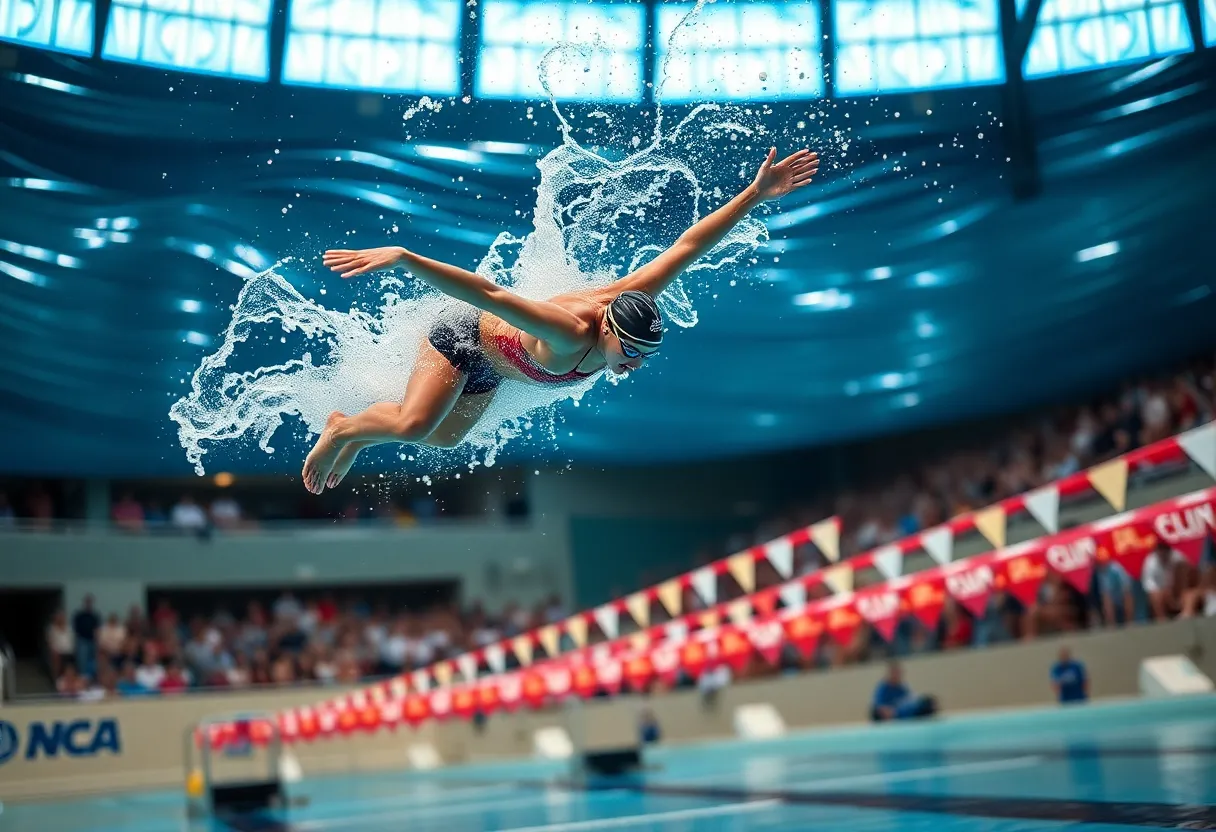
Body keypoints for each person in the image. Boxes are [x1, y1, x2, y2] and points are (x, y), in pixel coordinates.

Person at [302, 148, 820, 493]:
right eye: (631, 353)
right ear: (608, 331)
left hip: (490, 369)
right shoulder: (568, 331)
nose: (634, 364)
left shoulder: (630, 302)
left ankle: (357, 433)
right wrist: (405, 258)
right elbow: (488, 292)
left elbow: (688, 246)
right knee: (416, 423)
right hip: (460, 337)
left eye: (644, 356)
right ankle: (343, 430)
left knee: (443, 439)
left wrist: (755, 193)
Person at [870, 661, 937, 722]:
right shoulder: (883, 688)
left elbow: (911, 699)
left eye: (898, 673)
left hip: (906, 713)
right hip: (895, 715)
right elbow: (880, 707)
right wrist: (890, 713)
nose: (897, 676)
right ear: (890, 674)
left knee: (926, 702)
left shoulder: (903, 686)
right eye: (895, 673)